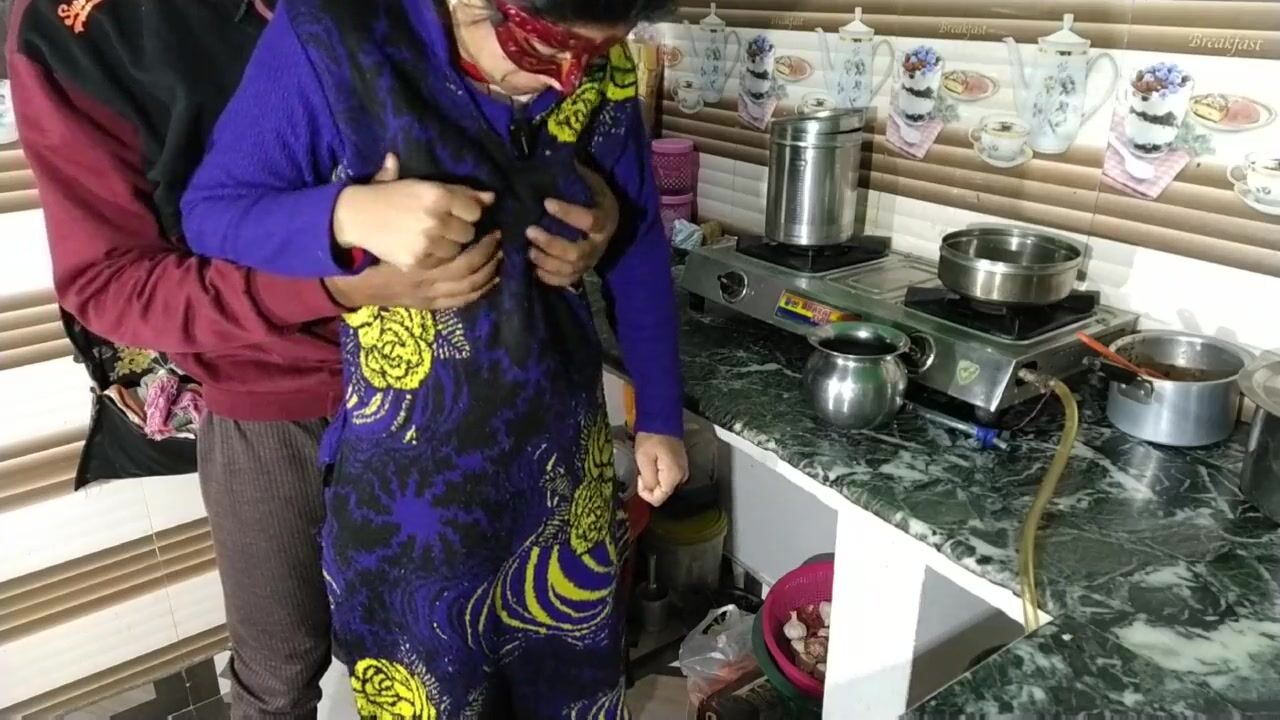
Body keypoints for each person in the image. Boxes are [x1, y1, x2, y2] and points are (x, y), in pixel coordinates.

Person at [5, 0, 628, 716]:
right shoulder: (79, 30)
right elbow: (111, 283)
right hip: (274, 396)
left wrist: (602, 209)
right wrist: (337, 276)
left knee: (487, 640)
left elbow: (516, 126)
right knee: (281, 673)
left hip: (464, 381)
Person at [179, 0, 687, 714]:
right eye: (543, 51)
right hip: (412, 501)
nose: (568, 82)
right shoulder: (336, 36)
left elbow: (637, 244)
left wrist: (660, 414)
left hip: (562, 478)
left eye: (596, 55)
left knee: (572, 697)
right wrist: (345, 215)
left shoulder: (597, 68)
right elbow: (212, 215)